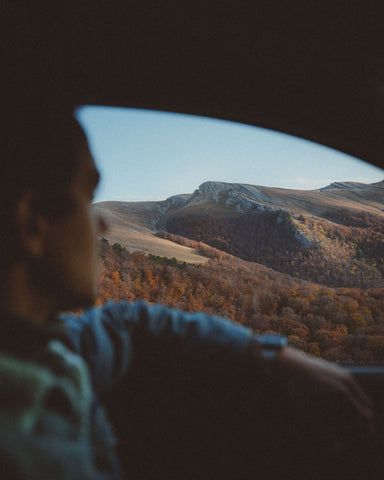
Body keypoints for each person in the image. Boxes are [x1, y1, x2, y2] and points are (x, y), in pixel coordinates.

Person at [0, 107, 373, 479]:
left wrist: (270, 355)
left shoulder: (49, 348)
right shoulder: (21, 455)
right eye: (87, 194)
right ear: (33, 222)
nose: (102, 222)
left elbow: (126, 323)